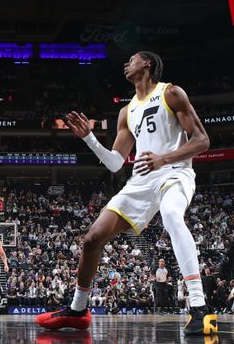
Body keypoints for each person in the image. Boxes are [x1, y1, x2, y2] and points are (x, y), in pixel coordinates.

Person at [35, 52, 217, 336]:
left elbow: (202, 140)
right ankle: (78, 309)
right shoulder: (126, 111)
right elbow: (115, 162)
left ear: (147, 64)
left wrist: (164, 159)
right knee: (92, 238)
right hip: (141, 181)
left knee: (171, 214)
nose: (125, 64)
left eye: (131, 59)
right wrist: (89, 138)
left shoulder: (170, 93)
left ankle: (199, 307)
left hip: (175, 173)